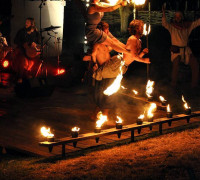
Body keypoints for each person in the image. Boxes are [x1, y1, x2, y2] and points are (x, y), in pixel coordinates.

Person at [93, 20, 150, 118]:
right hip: (117, 66)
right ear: (137, 29)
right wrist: (144, 60)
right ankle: (103, 116)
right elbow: (132, 55)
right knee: (109, 90)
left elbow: (132, 56)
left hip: (121, 66)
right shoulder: (132, 39)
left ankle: (97, 114)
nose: (143, 28)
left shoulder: (137, 40)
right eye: (141, 27)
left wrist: (142, 54)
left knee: (108, 89)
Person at [162, 6, 200, 89]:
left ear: (182, 17)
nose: (178, 18)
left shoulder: (187, 26)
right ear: (174, 18)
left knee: (195, 64)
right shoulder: (172, 27)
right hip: (176, 51)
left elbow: (197, 22)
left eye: (179, 16)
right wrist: (164, 13)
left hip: (186, 51)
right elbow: (164, 23)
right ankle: (173, 84)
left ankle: (194, 85)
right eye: (176, 16)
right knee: (176, 64)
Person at [13, 17, 40, 82]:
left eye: (28, 22)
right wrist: (23, 43)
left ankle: (30, 75)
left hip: (31, 51)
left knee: (37, 58)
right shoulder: (21, 31)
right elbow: (15, 40)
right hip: (22, 49)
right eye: (26, 22)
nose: (26, 23)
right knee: (22, 59)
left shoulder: (36, 33)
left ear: (32, 24)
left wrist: (35, 44)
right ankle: (20, 77)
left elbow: (39, 42)